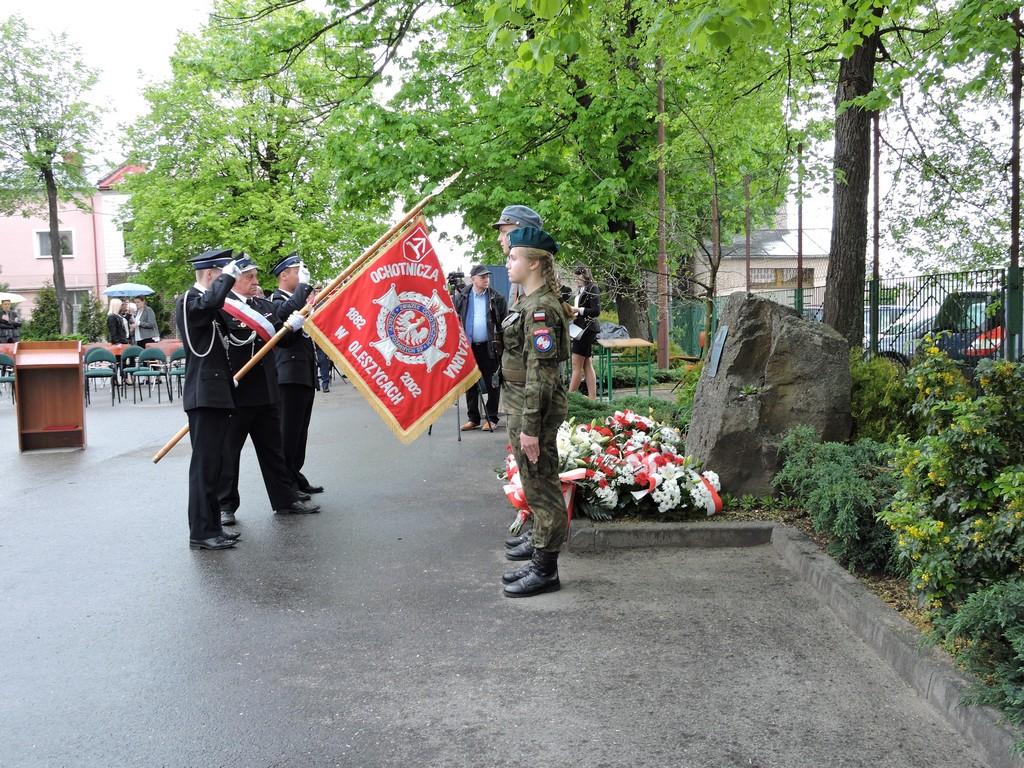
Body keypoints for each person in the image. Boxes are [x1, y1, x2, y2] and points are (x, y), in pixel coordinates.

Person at [216, 256, 319, 525]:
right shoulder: (223, 308)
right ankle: (225, 505)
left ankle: (285, 499)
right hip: (238, 391)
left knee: (273, 451)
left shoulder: (262, 305)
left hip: (266, 389)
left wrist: (292, 328)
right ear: (234, 279)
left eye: (255, 276)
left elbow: (281, 343)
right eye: (248, 277)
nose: (255, 281)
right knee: (229, 452)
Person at [498, 226, 572, 598]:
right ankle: (541, 555)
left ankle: (546, 570)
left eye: (514, 257)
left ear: (534, 264)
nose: (507, 263)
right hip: (520, 403)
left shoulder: (541, 309)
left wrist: (530, 427)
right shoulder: (529, 302)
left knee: (542, 487)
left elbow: (541, 373)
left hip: (533, 410)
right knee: (534, 483)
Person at [175, 247, 244, 550]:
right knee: (204, 467)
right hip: (204, 395)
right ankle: (201, 532)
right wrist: (227, 278)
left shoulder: (208, 304)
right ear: (210, 274)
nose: (228, 281)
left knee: (215, 465)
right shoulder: (189, 300)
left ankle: (213, 526)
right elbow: (209, 303)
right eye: (222, 275)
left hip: (217, 392)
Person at [270, 253, 324, 496]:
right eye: (296, 273)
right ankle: (287, 484)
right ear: (284, 275)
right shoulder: (276, 299)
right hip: (288, 374)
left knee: (300, 432)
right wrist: (304, 287)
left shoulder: (297, 299)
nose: (301, 277)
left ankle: (295, 474)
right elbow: (282, 315)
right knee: (288, 433)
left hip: (303, 372)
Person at [454, 264, 508, 432]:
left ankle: (492, 418)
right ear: (473, 279)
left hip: (489, 347)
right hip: (469, 347)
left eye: (487, 276)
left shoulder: (496, 298)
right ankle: (473, 418)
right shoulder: (462, 297)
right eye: (482, 277)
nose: (486, 279)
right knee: (470, 382)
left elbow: (504, 324)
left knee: (492, 382)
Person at [492, 204, 543, 304]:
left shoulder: (535, 282)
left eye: (504, 232)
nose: (499, 239)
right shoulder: (521, 275)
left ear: (522, 234)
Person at [568, 265, 601, 400]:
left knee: (576, 364)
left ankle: (570, 398)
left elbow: (596, 311)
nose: (576, 280)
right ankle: (592, 398)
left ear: (585, 276)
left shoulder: (592, 288)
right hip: (579, 328)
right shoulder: (581, 290)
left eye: (578, 277)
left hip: (586, 330)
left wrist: (578, 310)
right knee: (587, 364)